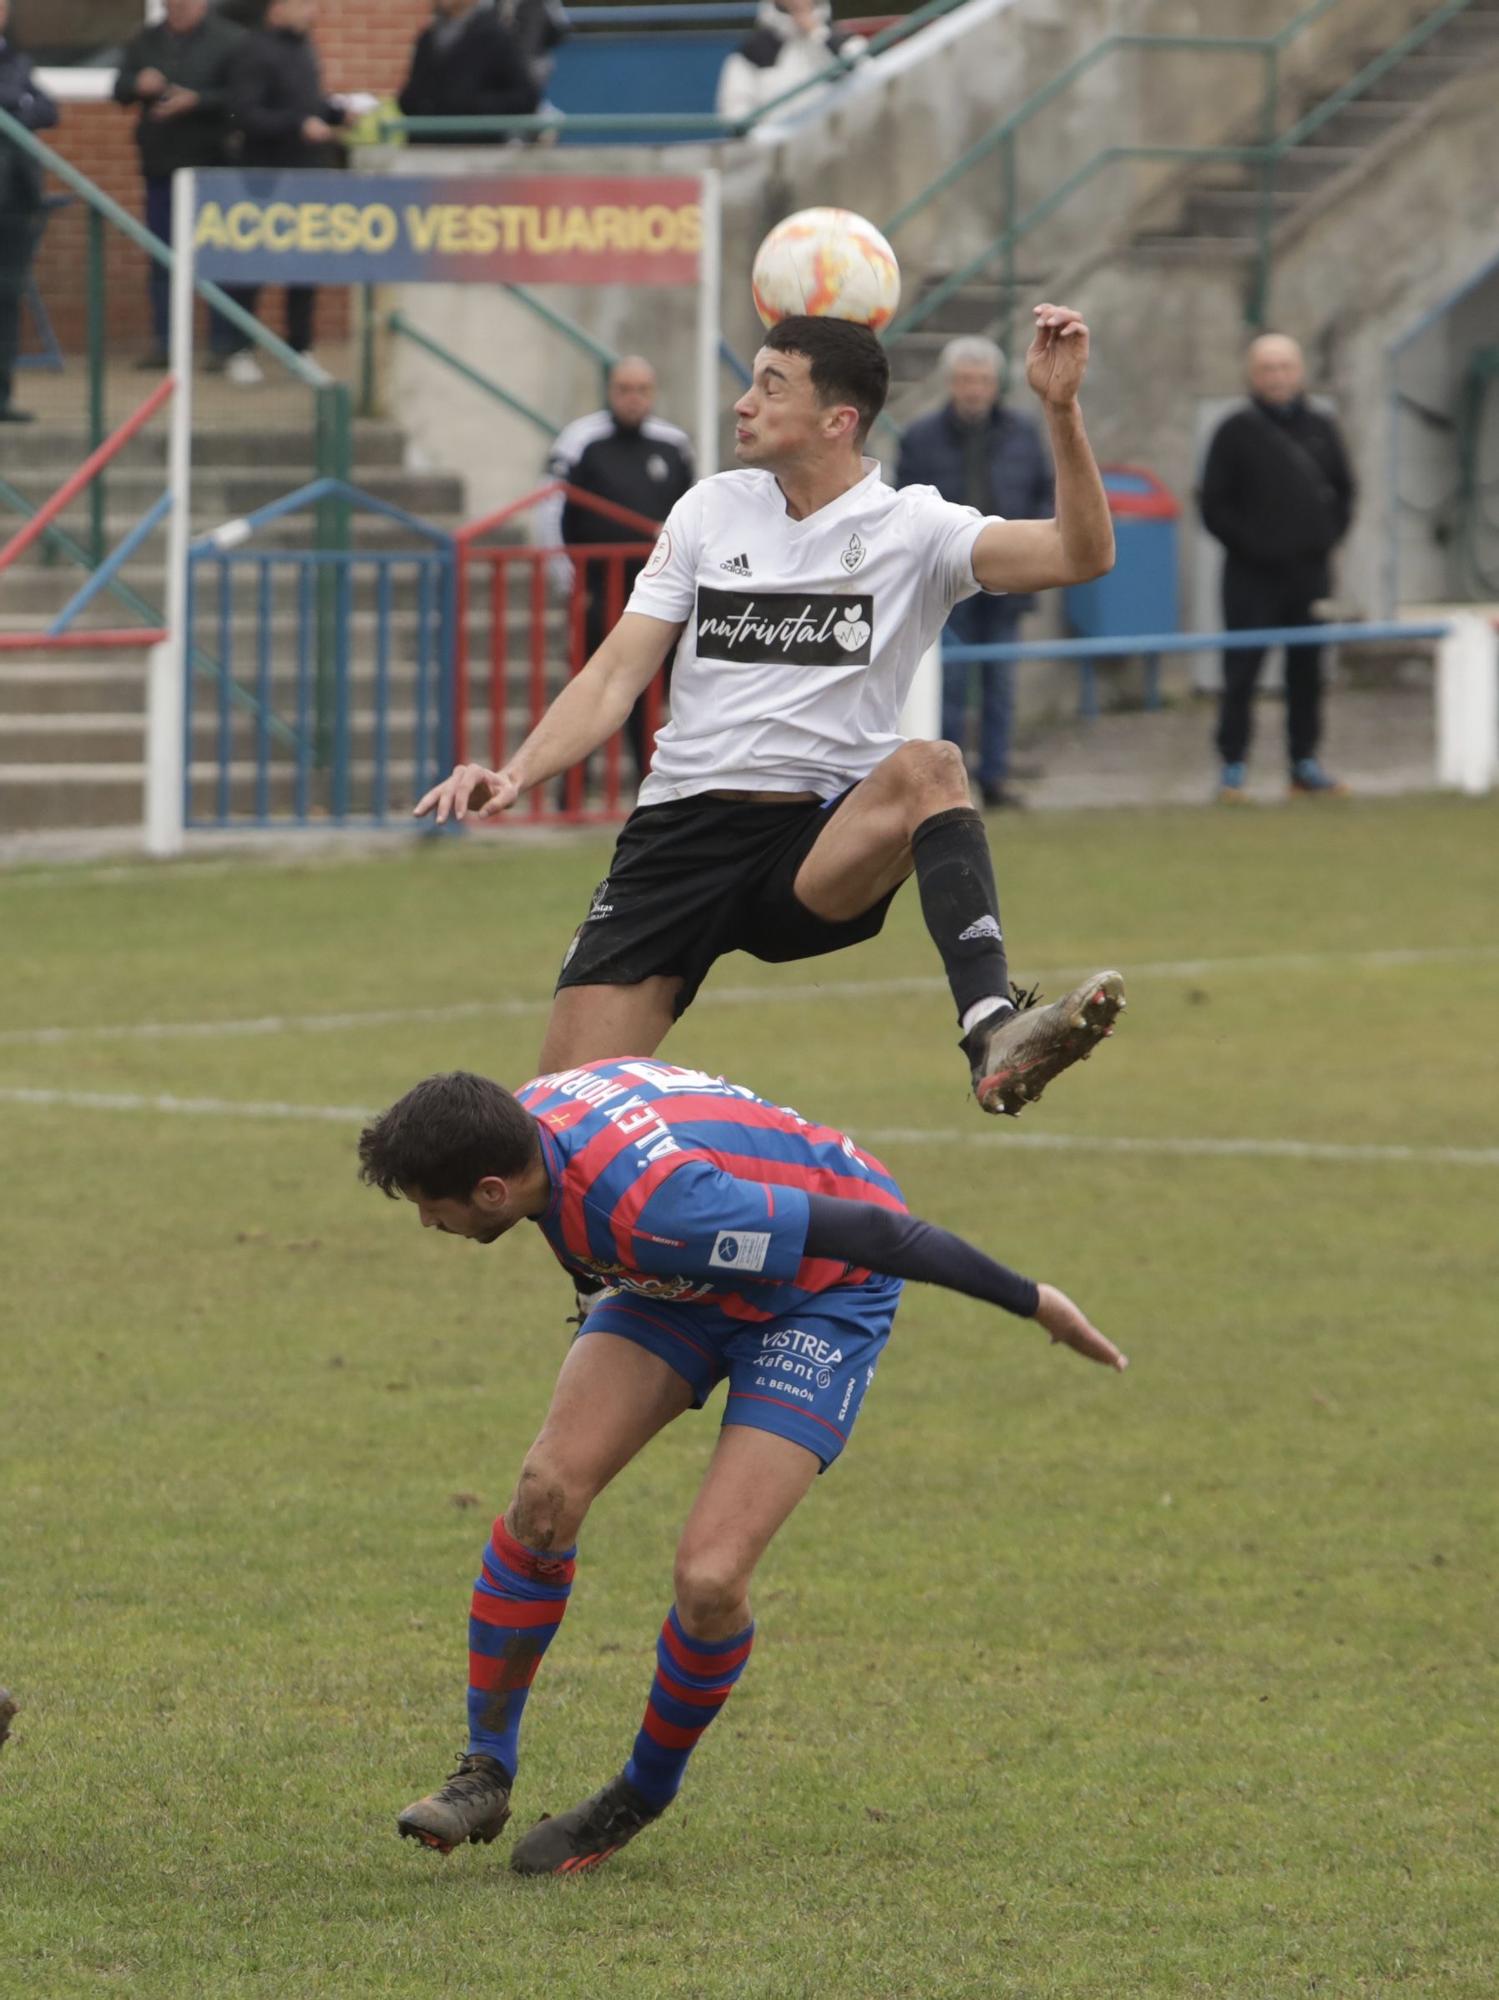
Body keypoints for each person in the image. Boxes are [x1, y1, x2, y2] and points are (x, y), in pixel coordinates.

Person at [359, 1060, 1126, 1874]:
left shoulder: (662, 1205)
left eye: (428, 1208)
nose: (425, 1224)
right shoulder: (528, 1128)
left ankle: (639, 1794)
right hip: (678, 1284)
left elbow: (880, 1235)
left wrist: (1033, 1299)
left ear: (489, 1191)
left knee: (711, 1580)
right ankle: (484, 1769)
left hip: (822, 1293)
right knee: (545, 1495)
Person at [416, 305, 1126, 1132]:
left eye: (768, 385)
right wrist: (514, 772)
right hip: (676, 841)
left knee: (929, 765)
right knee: (560, 1129)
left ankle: (991, 1029)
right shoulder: (708, 511)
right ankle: (623, 1269)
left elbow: (1081, 554)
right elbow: (614, 672)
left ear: (838, 420)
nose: (741, 404)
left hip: (812, 845)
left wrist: (1060, 409)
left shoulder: (917, 527)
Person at [898, 336, 1054, 809]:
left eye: (982, 380)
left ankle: (996, 777)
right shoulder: (920, 437)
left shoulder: (1023, 434)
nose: (974, 389)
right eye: (965, 380)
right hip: (946, 582)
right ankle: (946, 784)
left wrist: (1035, 554)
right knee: (948, 683)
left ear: (995, 384)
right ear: (951, 383)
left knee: (1000, 682)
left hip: (1007, 579)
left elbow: (1045, 494)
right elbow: (903, 506)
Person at [1199, 332, 1356, 801]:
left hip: (1309, 574)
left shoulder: (1322, 427)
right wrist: (1256, 547)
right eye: (1268, 368)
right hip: (1250, 576)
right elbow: (1214, 506)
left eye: (1286, 367)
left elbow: (1345, 491)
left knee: (1307, 671)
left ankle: (1304, 765)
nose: (1278, 377)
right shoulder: (1233, 431)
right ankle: (1233, 768)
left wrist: (1322, 540)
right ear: (1253, 374)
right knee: (1242, 671)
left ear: (1300, 371)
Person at [537, 356, 695, 790]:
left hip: (657, 593)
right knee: (587, 683)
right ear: (610, 390)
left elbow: (693, 517)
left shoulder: (673, 444)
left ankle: (647, 788)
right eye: (625, 388)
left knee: (650, 689)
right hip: (596, 589)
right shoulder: (581, 440)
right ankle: (570, 791)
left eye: (642, 389)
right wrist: (568, 578)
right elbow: (552, 508)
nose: (633, 398)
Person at [114, 0, 247, 371]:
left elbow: (241, 100)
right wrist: (137, 84)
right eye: (172, 3)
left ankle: (223, 344)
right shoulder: (145, 40)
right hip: (161, 165)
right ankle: (167, 344)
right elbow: (119, 88)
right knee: (163, 258)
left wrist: (199, 101)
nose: (178, 9)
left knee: (219, 255)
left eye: (185, 3)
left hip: (213, 166)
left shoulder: (231, 41)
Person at [224, 0, 346, 384]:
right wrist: (298, 125)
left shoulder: (305, 48)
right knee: (252, 265)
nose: (312, 11)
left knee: (304, 264)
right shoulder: (254, 51)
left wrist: (336, 113)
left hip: (307, 174)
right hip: (264, 176)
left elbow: (306, 105)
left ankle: (300, 348)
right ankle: (238, 349)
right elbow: (246, 113)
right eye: (303, 4)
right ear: (277, 8)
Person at [0, 0, 57, 426]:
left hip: (14, 198)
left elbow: (48, 109)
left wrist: (17, 102)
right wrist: (16, 101)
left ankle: (1, 394)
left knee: (6, 297)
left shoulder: (16, 59)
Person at [397, 0, 539, 143]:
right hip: (426, 149)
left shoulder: (495, 37)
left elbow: (526, 97)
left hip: (474, 150)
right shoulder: (428, 39)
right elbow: (410, 98)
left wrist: (475, 106)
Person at [716, 0, 865, 125]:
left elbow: (869, 79)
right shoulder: (751, 52)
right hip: (775, 153)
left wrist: (817, 33)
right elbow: (734, 111)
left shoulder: (845, 43)